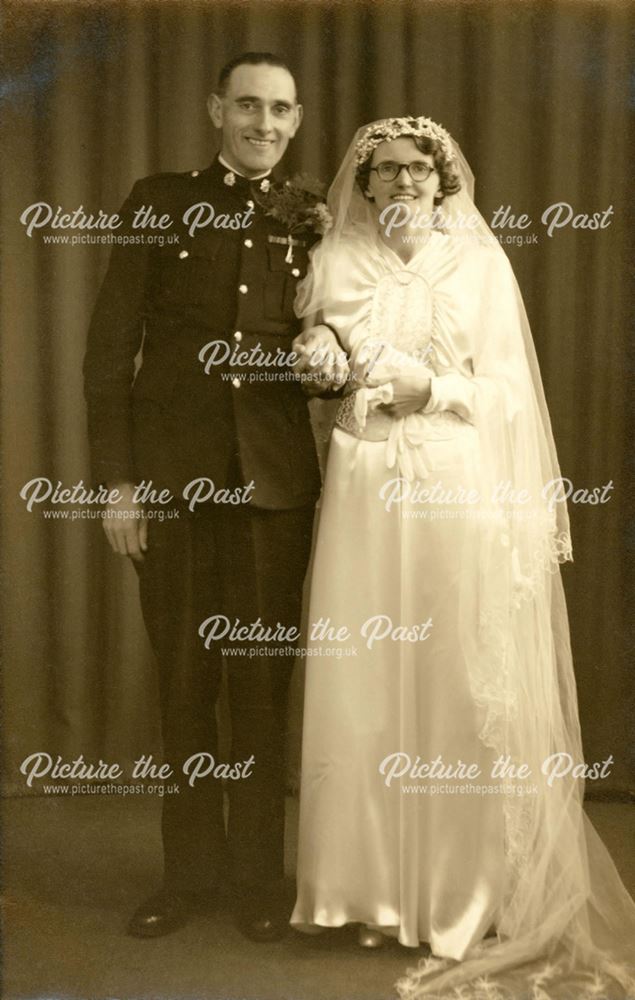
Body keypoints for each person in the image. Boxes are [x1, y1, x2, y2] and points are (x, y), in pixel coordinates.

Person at [290, 117, 635, 997]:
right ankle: (361, 896)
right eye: (385, 170)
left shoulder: (479, 265)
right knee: (364, 684)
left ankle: (460, 895)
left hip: (453, 486)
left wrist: (431, 387)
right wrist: (320, 354)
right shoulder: (330, 258)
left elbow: (511, 397)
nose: (402, 182)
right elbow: (319, 367)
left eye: (419, 169)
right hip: (364, 488)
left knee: (449, 679)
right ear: (361, 184)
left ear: (444, 183)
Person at [83, 52, 340, 943]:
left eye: (278, 110)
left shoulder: (317, 219)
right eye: (246, 106)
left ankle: (257, 885)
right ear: (214, 110)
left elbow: (334, 340)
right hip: (176, 485)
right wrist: (119, 483)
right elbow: (110, 349)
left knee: (263, 686)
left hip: (274, 489)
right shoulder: (158, 201)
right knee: (187, 683)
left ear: (297, 120)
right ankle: (186, 877)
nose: (262, 124)